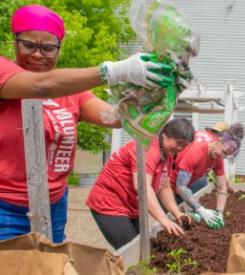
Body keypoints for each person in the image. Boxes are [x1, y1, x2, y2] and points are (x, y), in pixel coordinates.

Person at [0, 5, 173, 243]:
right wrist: (114, 71)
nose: (38, 54)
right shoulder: (5, 74)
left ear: (59, 49)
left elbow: (115, 118)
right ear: (15, 41)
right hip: (5, 208)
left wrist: (148, 98)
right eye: (28, 45)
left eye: (48, 48)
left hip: (54, 205)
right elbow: (40, 85)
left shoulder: (70, 92)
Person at [86, 118, 194, 249]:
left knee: (144, 249)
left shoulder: (167, 155)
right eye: (178, 143)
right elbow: (143, 187)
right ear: (165, 134)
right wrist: (163, 219)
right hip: (110, 204)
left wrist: (176, 212)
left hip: (131, 207)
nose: (180, 148)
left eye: (184, 146)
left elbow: (164, 186)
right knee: (132, 252)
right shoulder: (147, 148)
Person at [169, 124, 245, 229]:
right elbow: (180, 187)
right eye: (223, 152)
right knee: (171, 218)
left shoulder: (217, 159)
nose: (222, 157)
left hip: (184, 187)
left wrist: (220, 212)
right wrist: (200, 209)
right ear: (218, 140)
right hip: (168, 187)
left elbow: (222, 188)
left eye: (226, 156)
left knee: (185, 215)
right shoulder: (197, 152)